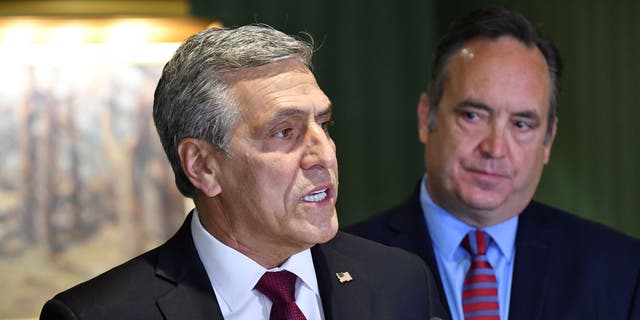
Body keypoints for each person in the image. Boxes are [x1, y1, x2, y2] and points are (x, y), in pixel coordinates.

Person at [40, 25, 448, 320]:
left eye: (323, 126)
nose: (323, 155)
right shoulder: (97, 314)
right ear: (202, 166)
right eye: (284, 132)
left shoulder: (401, 283)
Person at [346, 7, 640, 320]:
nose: (495, 148)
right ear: (425, 117)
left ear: (548, 140)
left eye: (521, 124)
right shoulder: (343, 264)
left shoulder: (621, 269)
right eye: (473, 115)